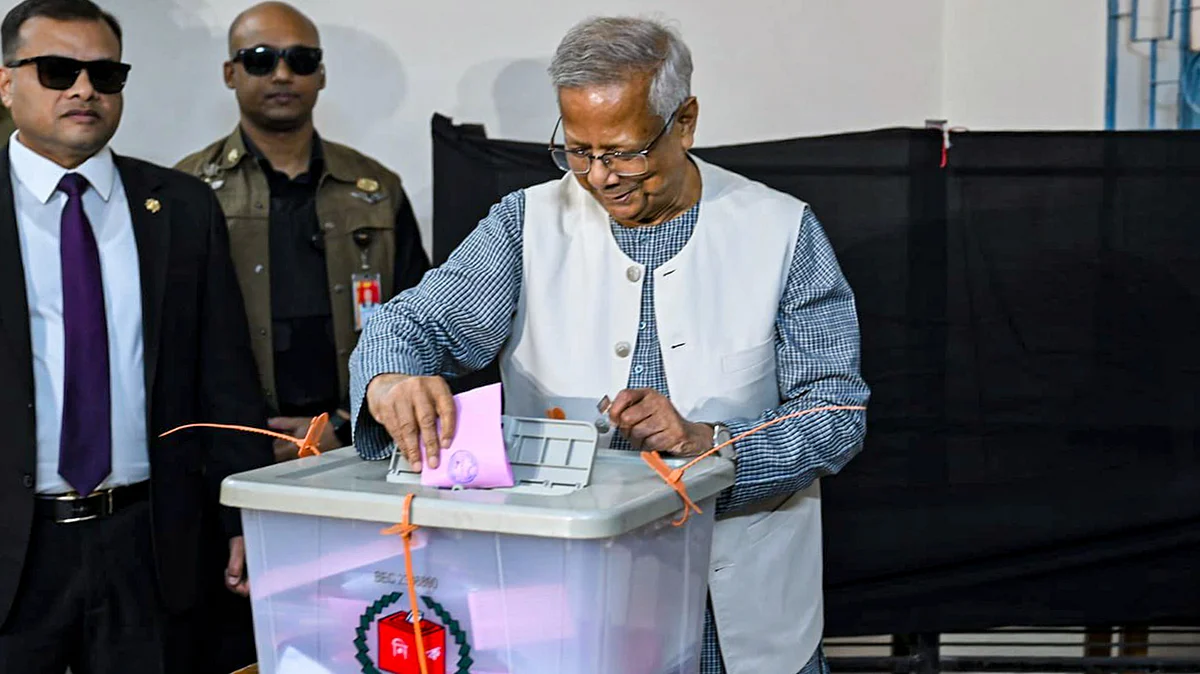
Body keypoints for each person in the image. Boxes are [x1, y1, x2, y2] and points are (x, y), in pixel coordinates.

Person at [350, 15, 870, 674]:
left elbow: (834, 412)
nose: (599, 177)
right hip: (566, 597)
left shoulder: (780, 231)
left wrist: (712, 445)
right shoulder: (525, 226)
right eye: (577, 150)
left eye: (623, 152)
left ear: (685, 121)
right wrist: (390, 378)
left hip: (736, 609)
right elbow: (410, 325)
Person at [0, 1, 273, 672]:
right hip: (14, 549)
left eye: (105, 74)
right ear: (6, 83)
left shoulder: (180, 206)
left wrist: (242, 517)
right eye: (57, 71)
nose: (83, 90)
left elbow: (225, 375)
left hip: (150, 544)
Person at [176, 1, 430, 461]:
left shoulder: (375, 189)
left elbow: (416, 319)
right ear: (230, 73)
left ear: (321, 74)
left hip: (357, 443)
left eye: (301, 60)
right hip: (229, 448)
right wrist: (237, 437)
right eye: (260, 59)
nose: (282, 74)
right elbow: (172, 338)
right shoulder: (188, 189)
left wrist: (347, 424)